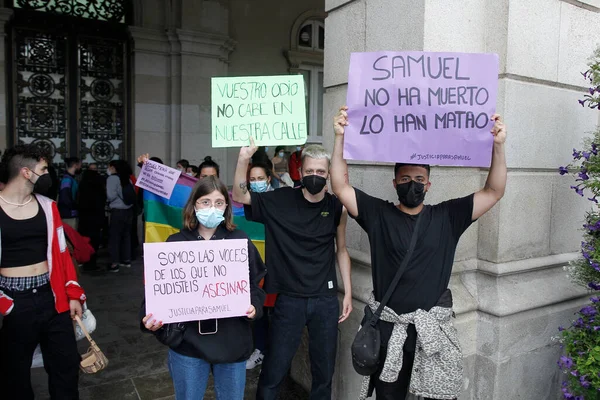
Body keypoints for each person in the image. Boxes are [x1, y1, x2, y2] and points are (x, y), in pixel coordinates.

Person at [330, 106, 507, 400]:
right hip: (389, 331)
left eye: (419, 179)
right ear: (394, 183)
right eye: (405, 179)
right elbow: (340, 185)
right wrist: (339, 137)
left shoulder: (448, 216)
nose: (412, 184)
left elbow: (493, 191)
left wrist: (498, 146)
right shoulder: (378, 214)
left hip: (432, 333)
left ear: (428, 185)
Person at [232, 141, 353, 400]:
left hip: (325, 300)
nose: (315, 177)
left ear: (328, 173)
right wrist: (244, 159)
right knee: (274, 369)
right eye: (310, 171)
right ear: (301, 171)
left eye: (321, 172)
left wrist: (349, 294)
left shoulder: (336, 207)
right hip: (289, 299)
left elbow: (341, 250)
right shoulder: (280, 200)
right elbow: (240, 196)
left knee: (324, 373)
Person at [140, 175, 266, 400]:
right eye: (205, 202)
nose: (212, 208)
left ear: (226, 207)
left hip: (232, 342)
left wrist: (255, 306)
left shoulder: (239, 241)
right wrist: (149, 317)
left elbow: (255, 286)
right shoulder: (175, 243)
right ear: (194, 205)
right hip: (189, 345)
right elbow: (158, 291)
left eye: (219, 202)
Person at [0, 144, 85, 400]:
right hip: (14, 301)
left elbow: (62, 255)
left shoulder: (49, 207)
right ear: (26, 172)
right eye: (44, 169)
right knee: (15, 375)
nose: (48, 174)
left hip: (52, 297)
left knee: (66, 366)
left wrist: (72, 293)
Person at [243, 163, 275, 370]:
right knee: (259, 309)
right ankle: (261, 349)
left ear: (269, 179)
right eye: (252, 180)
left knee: (277, 311)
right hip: (256, 265)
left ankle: (274, 353)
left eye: (260, 179)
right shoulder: (244, 202)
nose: (257, 183)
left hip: (277, 264)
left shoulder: (280, 200)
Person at [106, 159, 134, 272]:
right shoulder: (127, 178)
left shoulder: (112, 178)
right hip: (128, 211)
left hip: (117, 211)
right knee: (126, 236)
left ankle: (114, 263)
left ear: (113, 167)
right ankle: (126, 260)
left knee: (114, 237)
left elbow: (110, 196)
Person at [77, 165, 107, 270]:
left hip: (85, 217)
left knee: (85, 240)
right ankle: (92, 262)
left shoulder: (82, 185)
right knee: (94, 241)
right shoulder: (99, 185)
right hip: (96, 218)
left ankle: (85, 261)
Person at [58, 156, 82, 227]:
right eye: (80, 165)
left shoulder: (70, 179)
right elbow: (65, 197)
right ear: (75, 165)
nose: (81, 167)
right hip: (68, 215)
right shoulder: (67, 180)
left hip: (70, 213)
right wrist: (74, 206)